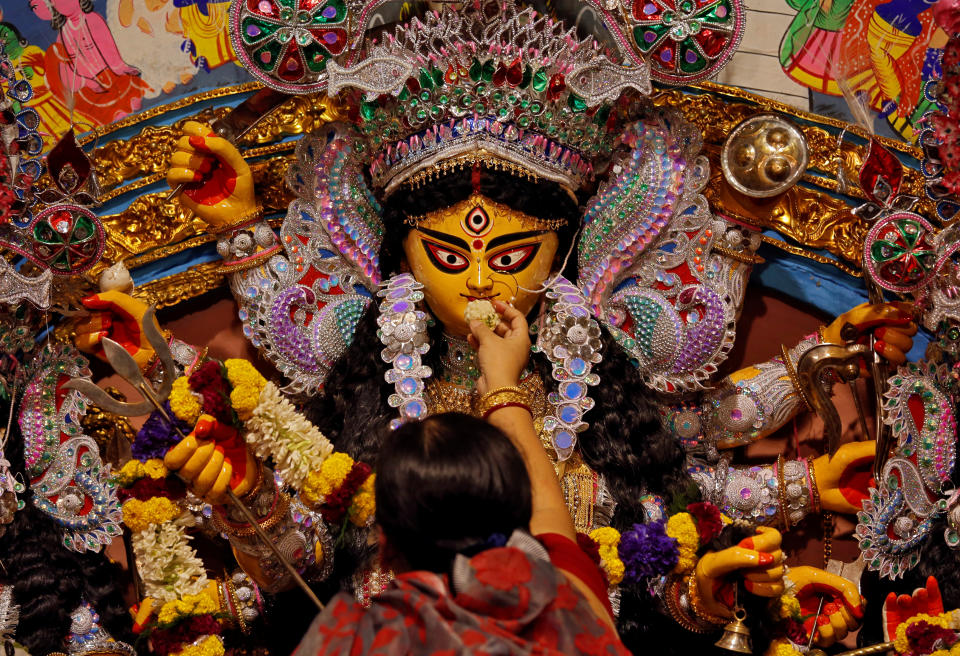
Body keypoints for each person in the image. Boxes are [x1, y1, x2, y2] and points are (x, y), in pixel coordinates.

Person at [294, 301, 631, 654]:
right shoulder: (572, 608)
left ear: (387, 548)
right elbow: (549, 511)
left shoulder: (356, 642)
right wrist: (503, 386)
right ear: (519, 519)